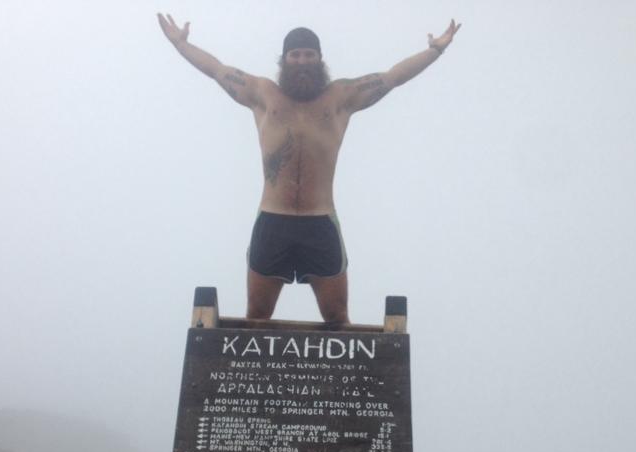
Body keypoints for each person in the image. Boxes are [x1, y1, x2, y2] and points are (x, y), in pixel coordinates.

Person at [158, 15, 461, 325]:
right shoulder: (263, 94)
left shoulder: (340, 97)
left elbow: (392, 77)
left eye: (308, 55)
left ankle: (344, 374)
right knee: (257, 316)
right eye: (295, 55)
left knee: (337, 317)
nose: (302, 61)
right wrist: (182, 45)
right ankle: (257, 374)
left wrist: (435, 51)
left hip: (320, 223)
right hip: (273, 220)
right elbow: (217, 70)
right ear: (284, 59)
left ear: (319, 59)